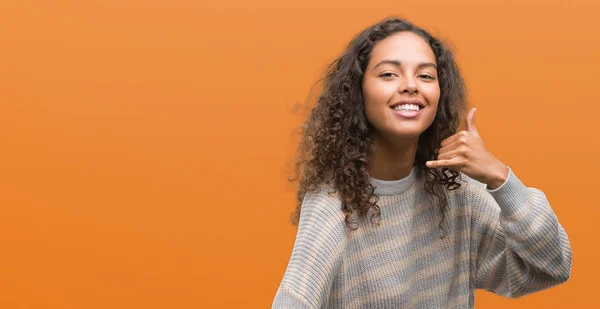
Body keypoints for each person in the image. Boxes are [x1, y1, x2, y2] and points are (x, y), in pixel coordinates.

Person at [272, 17, 572, 309]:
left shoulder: (456, 193)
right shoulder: (334, 205)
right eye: (389, 74)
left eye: (426, 76)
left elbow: (551, 266)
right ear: (358, 93)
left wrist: (499, 177)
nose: (410, 86)